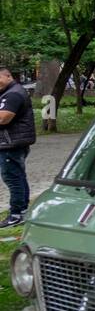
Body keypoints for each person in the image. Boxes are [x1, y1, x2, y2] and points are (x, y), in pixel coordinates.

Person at [0, 66, 36, 228]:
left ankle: (16, 214)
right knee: (18, 176)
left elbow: (4, 118)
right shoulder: (10, 92)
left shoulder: (13, 94)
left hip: (11, 143)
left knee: (13, 178)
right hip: (13, 142)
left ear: (8, 76)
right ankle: (22, 211)